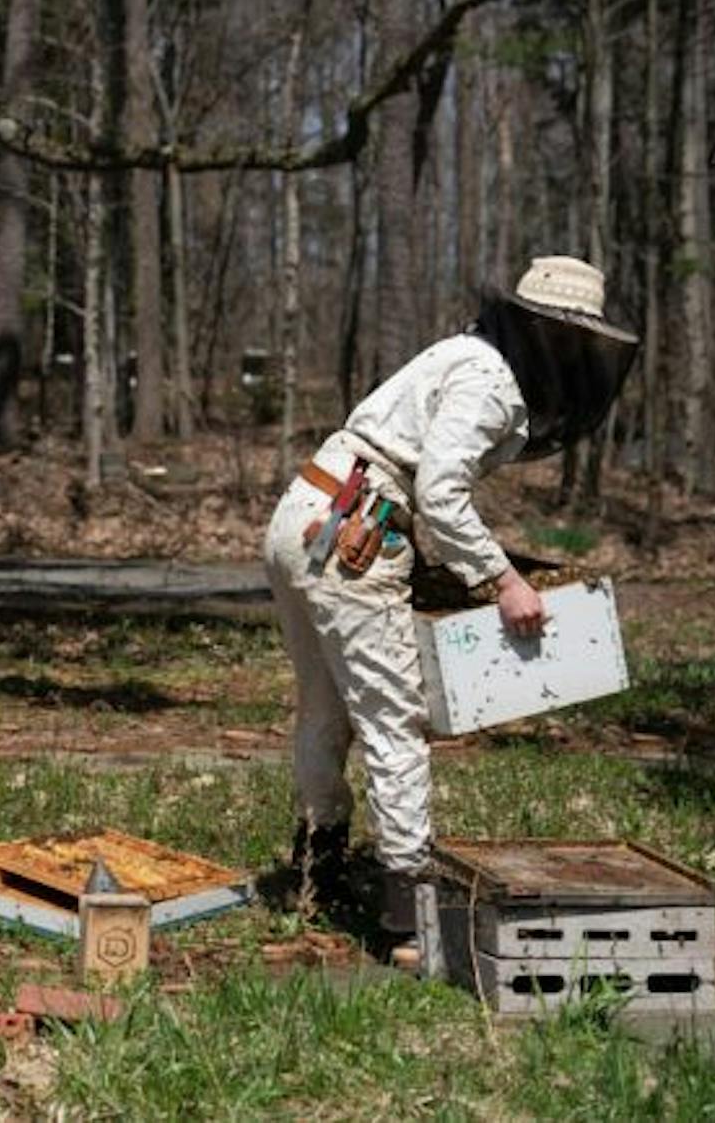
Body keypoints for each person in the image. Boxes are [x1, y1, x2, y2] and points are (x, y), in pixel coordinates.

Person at [262, 256, 638, 936]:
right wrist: (504, 581)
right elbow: (438, 490)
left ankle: (319, 873)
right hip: (356, 529)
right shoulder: (489, 381)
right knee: (394, 719)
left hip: (309, 511)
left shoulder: (464, 356)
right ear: (543, 332)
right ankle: (409, 912)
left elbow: (419, 480)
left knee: (324, 710)